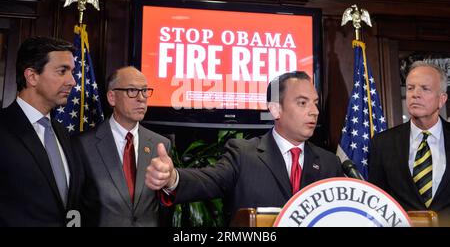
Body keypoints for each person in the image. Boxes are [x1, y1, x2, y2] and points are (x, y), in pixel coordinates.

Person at [145, 71, 343, 224]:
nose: (315, 111)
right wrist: (172, 179)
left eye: (315, 103)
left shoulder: (329, 163)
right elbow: (208, 180)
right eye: (302, 103)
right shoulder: (244, 154)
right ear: (275, 109)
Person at [72, 66, 171, 226]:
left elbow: (164, 206)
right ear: (112, 97)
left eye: (145, 91)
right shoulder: (82, 145)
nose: (142, 98)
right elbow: (74, 206)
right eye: (132, 90)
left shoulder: (160, 145)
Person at [0, 36, 83, 226]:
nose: (72, 81)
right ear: (32, 76)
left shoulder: (62, 132)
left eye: (72, 72)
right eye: (62, 71)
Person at [369, 61, 450, 226]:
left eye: (425, 89)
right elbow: (377, 201)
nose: (415, 94)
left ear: (442, 99)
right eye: (411, 88)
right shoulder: (383, 143)